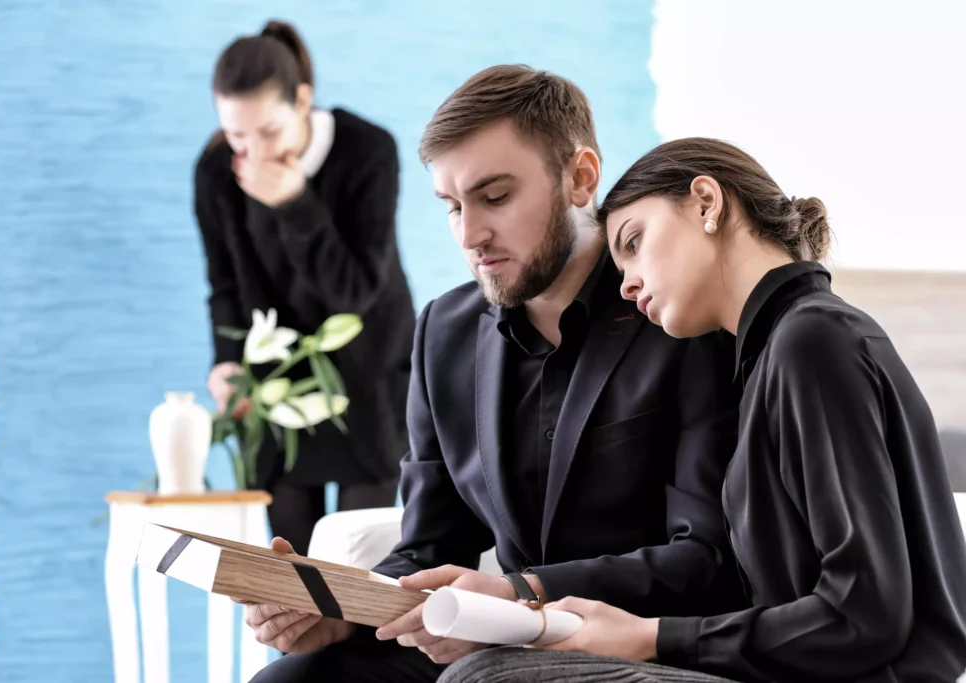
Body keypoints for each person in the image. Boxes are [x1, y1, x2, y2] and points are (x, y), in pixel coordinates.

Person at [245, 66, 746, 683]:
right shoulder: (444, 332)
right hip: (491, 646)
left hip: (636, 648)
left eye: (496, 197)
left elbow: (707, 559)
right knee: (290, 680)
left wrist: (518, 593)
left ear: (580, 178)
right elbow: (430, 548)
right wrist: (342, 612)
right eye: (452, 206)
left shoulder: (679, 314)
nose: (469, 234)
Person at [439, 138, 966, 683]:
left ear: (706, 203)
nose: (627, 285)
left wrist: (649, 638)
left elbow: (866, 615)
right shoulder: (773, 356)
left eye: (635, 242)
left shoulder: (813, 339)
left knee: (489, 676)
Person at [194, 21, 416, 555]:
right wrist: (227, 362)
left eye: (267, 132)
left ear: (302, 100)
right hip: (280, 386)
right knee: (288, 572)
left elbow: (356, 293)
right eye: (237, 135)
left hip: (370, 381)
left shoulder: (368, 150)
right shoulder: (216, 172)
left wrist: (295, 203)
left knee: (362, 566)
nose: (252, 153)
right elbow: (223, 284)